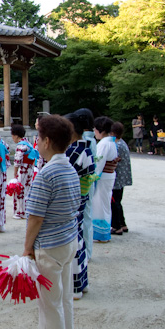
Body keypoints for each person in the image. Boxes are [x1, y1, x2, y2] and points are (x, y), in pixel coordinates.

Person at [23, 114, 81, 329]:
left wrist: (27, 248)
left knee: (50, 305)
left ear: (46, 141)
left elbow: (36, 217)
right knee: (63, 300)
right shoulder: (70, 169)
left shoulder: (46, 175)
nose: (36, 142)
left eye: (38, 138)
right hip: (68, 240)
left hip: (49, 246)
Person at [64, 112, 96, 301]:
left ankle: (75, 286)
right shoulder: (85, 148)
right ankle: (82, 282)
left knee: (73, 244)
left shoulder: (74, 151)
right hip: (81, 199)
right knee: (79, 240)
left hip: (72, 201)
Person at [92, 116, 119, 243]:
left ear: (100, 130)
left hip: (102, 177)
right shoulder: (111, 142)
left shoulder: (103, 144)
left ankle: (101, 233)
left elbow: (99, 163)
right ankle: (104, 231)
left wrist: (93, 176)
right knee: (105, 203)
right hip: (109, 176)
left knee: (100, 204)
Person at [75, 108, 97, 261]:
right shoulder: (92, 140)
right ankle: (87, 251)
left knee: (84, 217)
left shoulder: (85, 141)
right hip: (89, 182)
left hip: (82, 182)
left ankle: (85, 251)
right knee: (87, 216)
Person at [11, 123, 38, 220]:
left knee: (20, 190)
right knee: (27, 190)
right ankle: (27, 210)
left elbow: (17, 161)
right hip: (30, 169)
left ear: (16, 135)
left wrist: (15, 172)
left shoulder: (20, 146)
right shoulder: (28, 144)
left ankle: (20, 211)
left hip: (23, 170)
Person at [110, 122, 132, 236]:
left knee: (114, 202)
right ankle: (122, 224)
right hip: (122, 178)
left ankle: (116, 226)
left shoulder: (117, 145)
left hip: (117, 178)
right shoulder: (122, 143)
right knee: (118, 201)